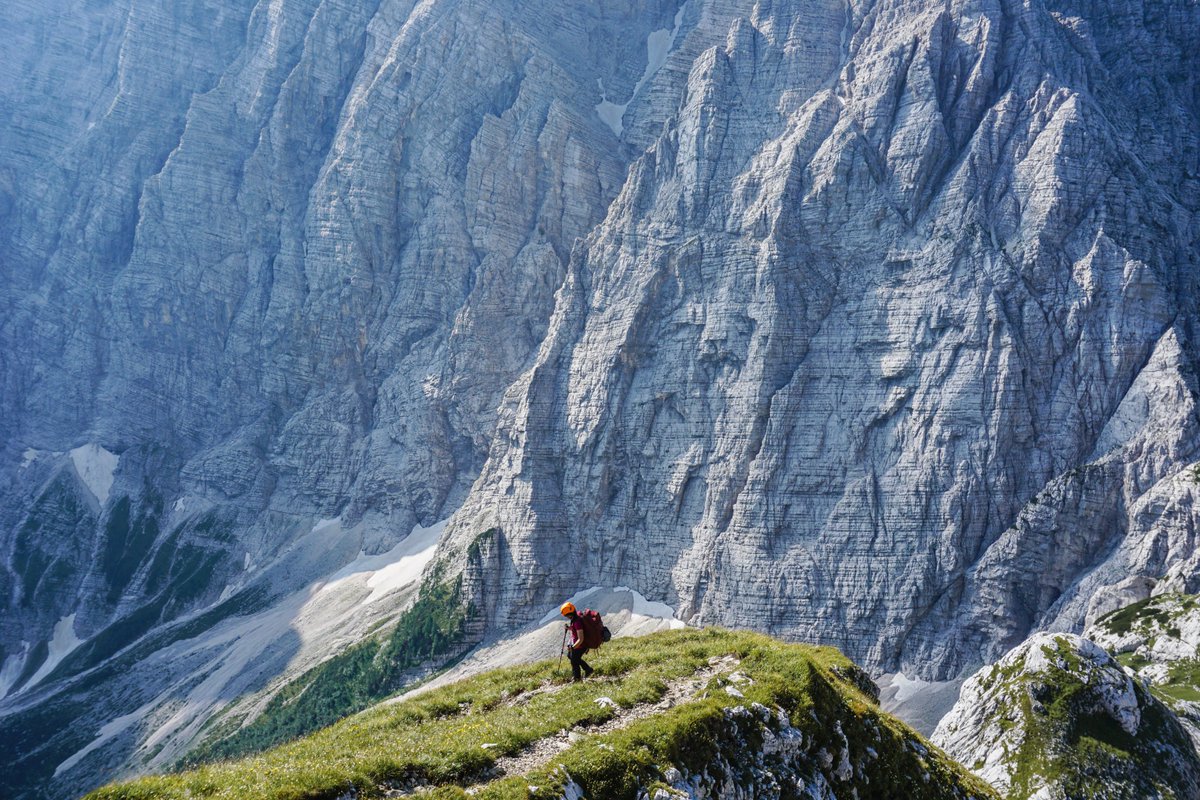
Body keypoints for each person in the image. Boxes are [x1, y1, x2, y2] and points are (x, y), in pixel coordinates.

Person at [561, 601, 594, 682]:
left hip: (581, 645)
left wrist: (573, 647)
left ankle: (577, 679)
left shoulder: (577, 622)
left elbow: (581, 638)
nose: (566, 617)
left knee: (574, 661)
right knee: (571, 656)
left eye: (566, 615)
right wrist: (569, 628)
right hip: (578, 645)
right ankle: (588, 669)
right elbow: (575, 630)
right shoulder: (575, 619)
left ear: (569, 614)